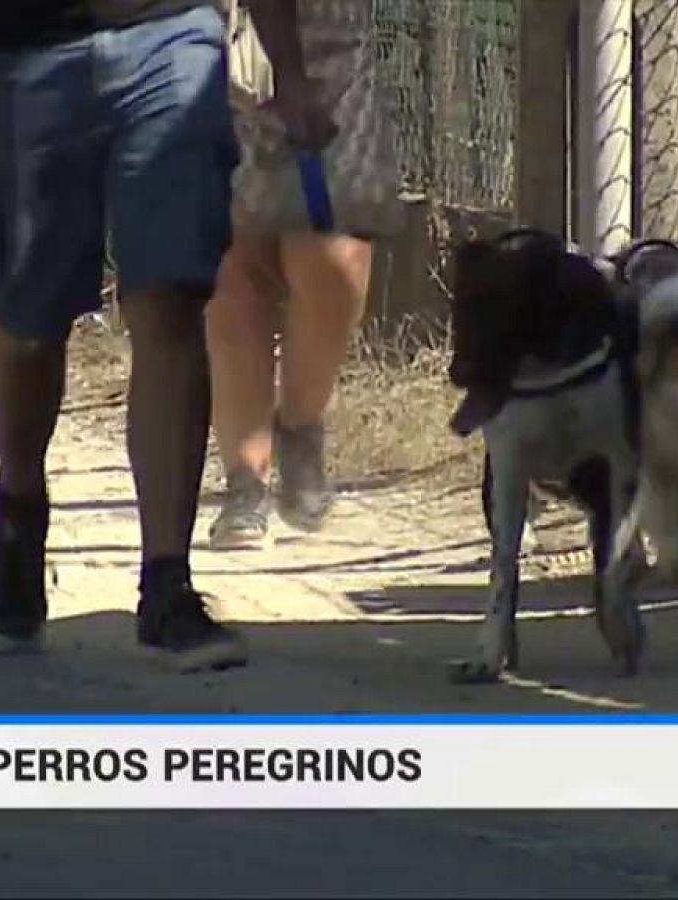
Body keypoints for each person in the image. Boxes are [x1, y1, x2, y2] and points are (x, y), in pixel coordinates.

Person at [0, 0, 330, 672]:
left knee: (170, 298)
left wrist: (291, 72)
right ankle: (21, 495)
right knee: (30, 318)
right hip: (32, 53)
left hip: (172, 34)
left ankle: (167, 587)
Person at [206, 0, 403, 549]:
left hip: (328, 63)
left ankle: (300, 423)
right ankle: (245, 484)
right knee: (232, 267)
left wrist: (293, 76)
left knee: (336, 260)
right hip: (209, 54)